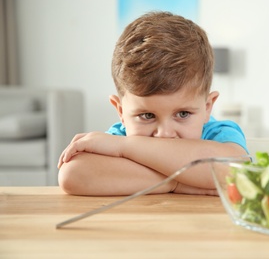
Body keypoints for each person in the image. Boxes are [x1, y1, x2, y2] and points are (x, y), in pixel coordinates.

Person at [57, 11, 248, 196]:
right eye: (147, 116)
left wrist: (125, 148)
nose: (164, 134)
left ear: (207, 107)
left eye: (183, 114)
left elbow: (238, 172)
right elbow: (73, 175)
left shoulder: (218, 133)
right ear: (121, 111)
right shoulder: (119, 137)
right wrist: (176, 182)